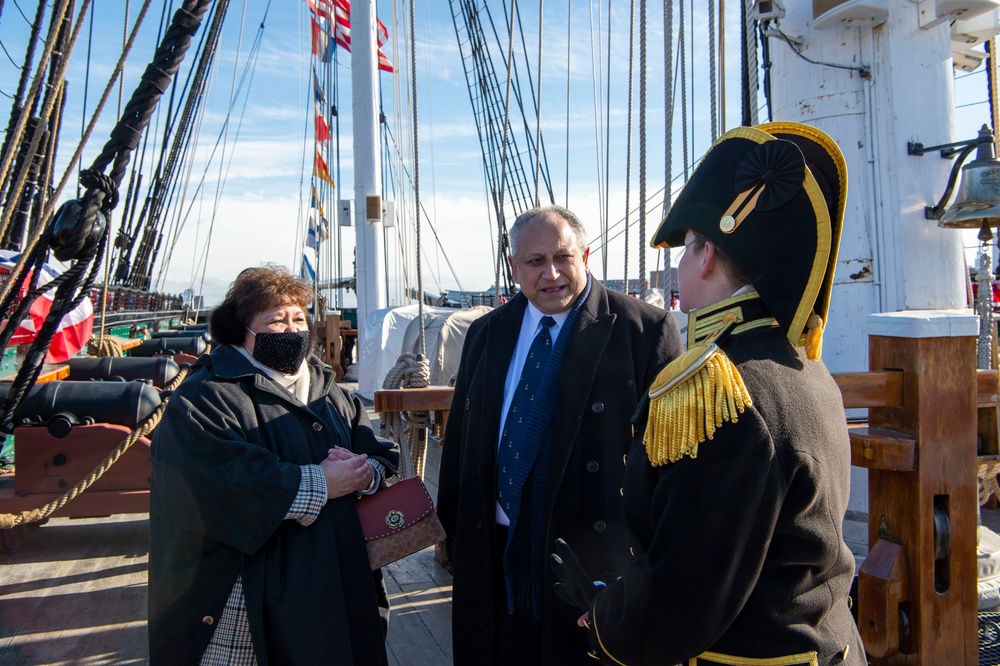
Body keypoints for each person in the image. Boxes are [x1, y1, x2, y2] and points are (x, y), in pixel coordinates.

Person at [551, 122, 866, 665]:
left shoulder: (724, 391)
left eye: (687, 246)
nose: (678, 265)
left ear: (708, 256)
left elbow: (688, 592)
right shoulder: (798, 362)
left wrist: (609, 618)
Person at [437, 205, 684, 665]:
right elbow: (463, 444)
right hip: (494, 551)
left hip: (592, 562)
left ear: (586, 255)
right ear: (514, 268)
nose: (551, 274)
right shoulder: (486, 335)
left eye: (563, 257)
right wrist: (453, 534)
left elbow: (669, 462)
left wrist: (652, 566)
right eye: (535, 261)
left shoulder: (644, 332)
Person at [148, 265, 399, 665]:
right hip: (248, 592)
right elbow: (210, 484)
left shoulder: (329, 390)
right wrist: (319, 483)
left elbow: (380, 452)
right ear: (240, 331)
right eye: (276, 320)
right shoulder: (205, 396)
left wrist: (365, 472)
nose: (292, 329)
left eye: (299, 318)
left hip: (337, 581)